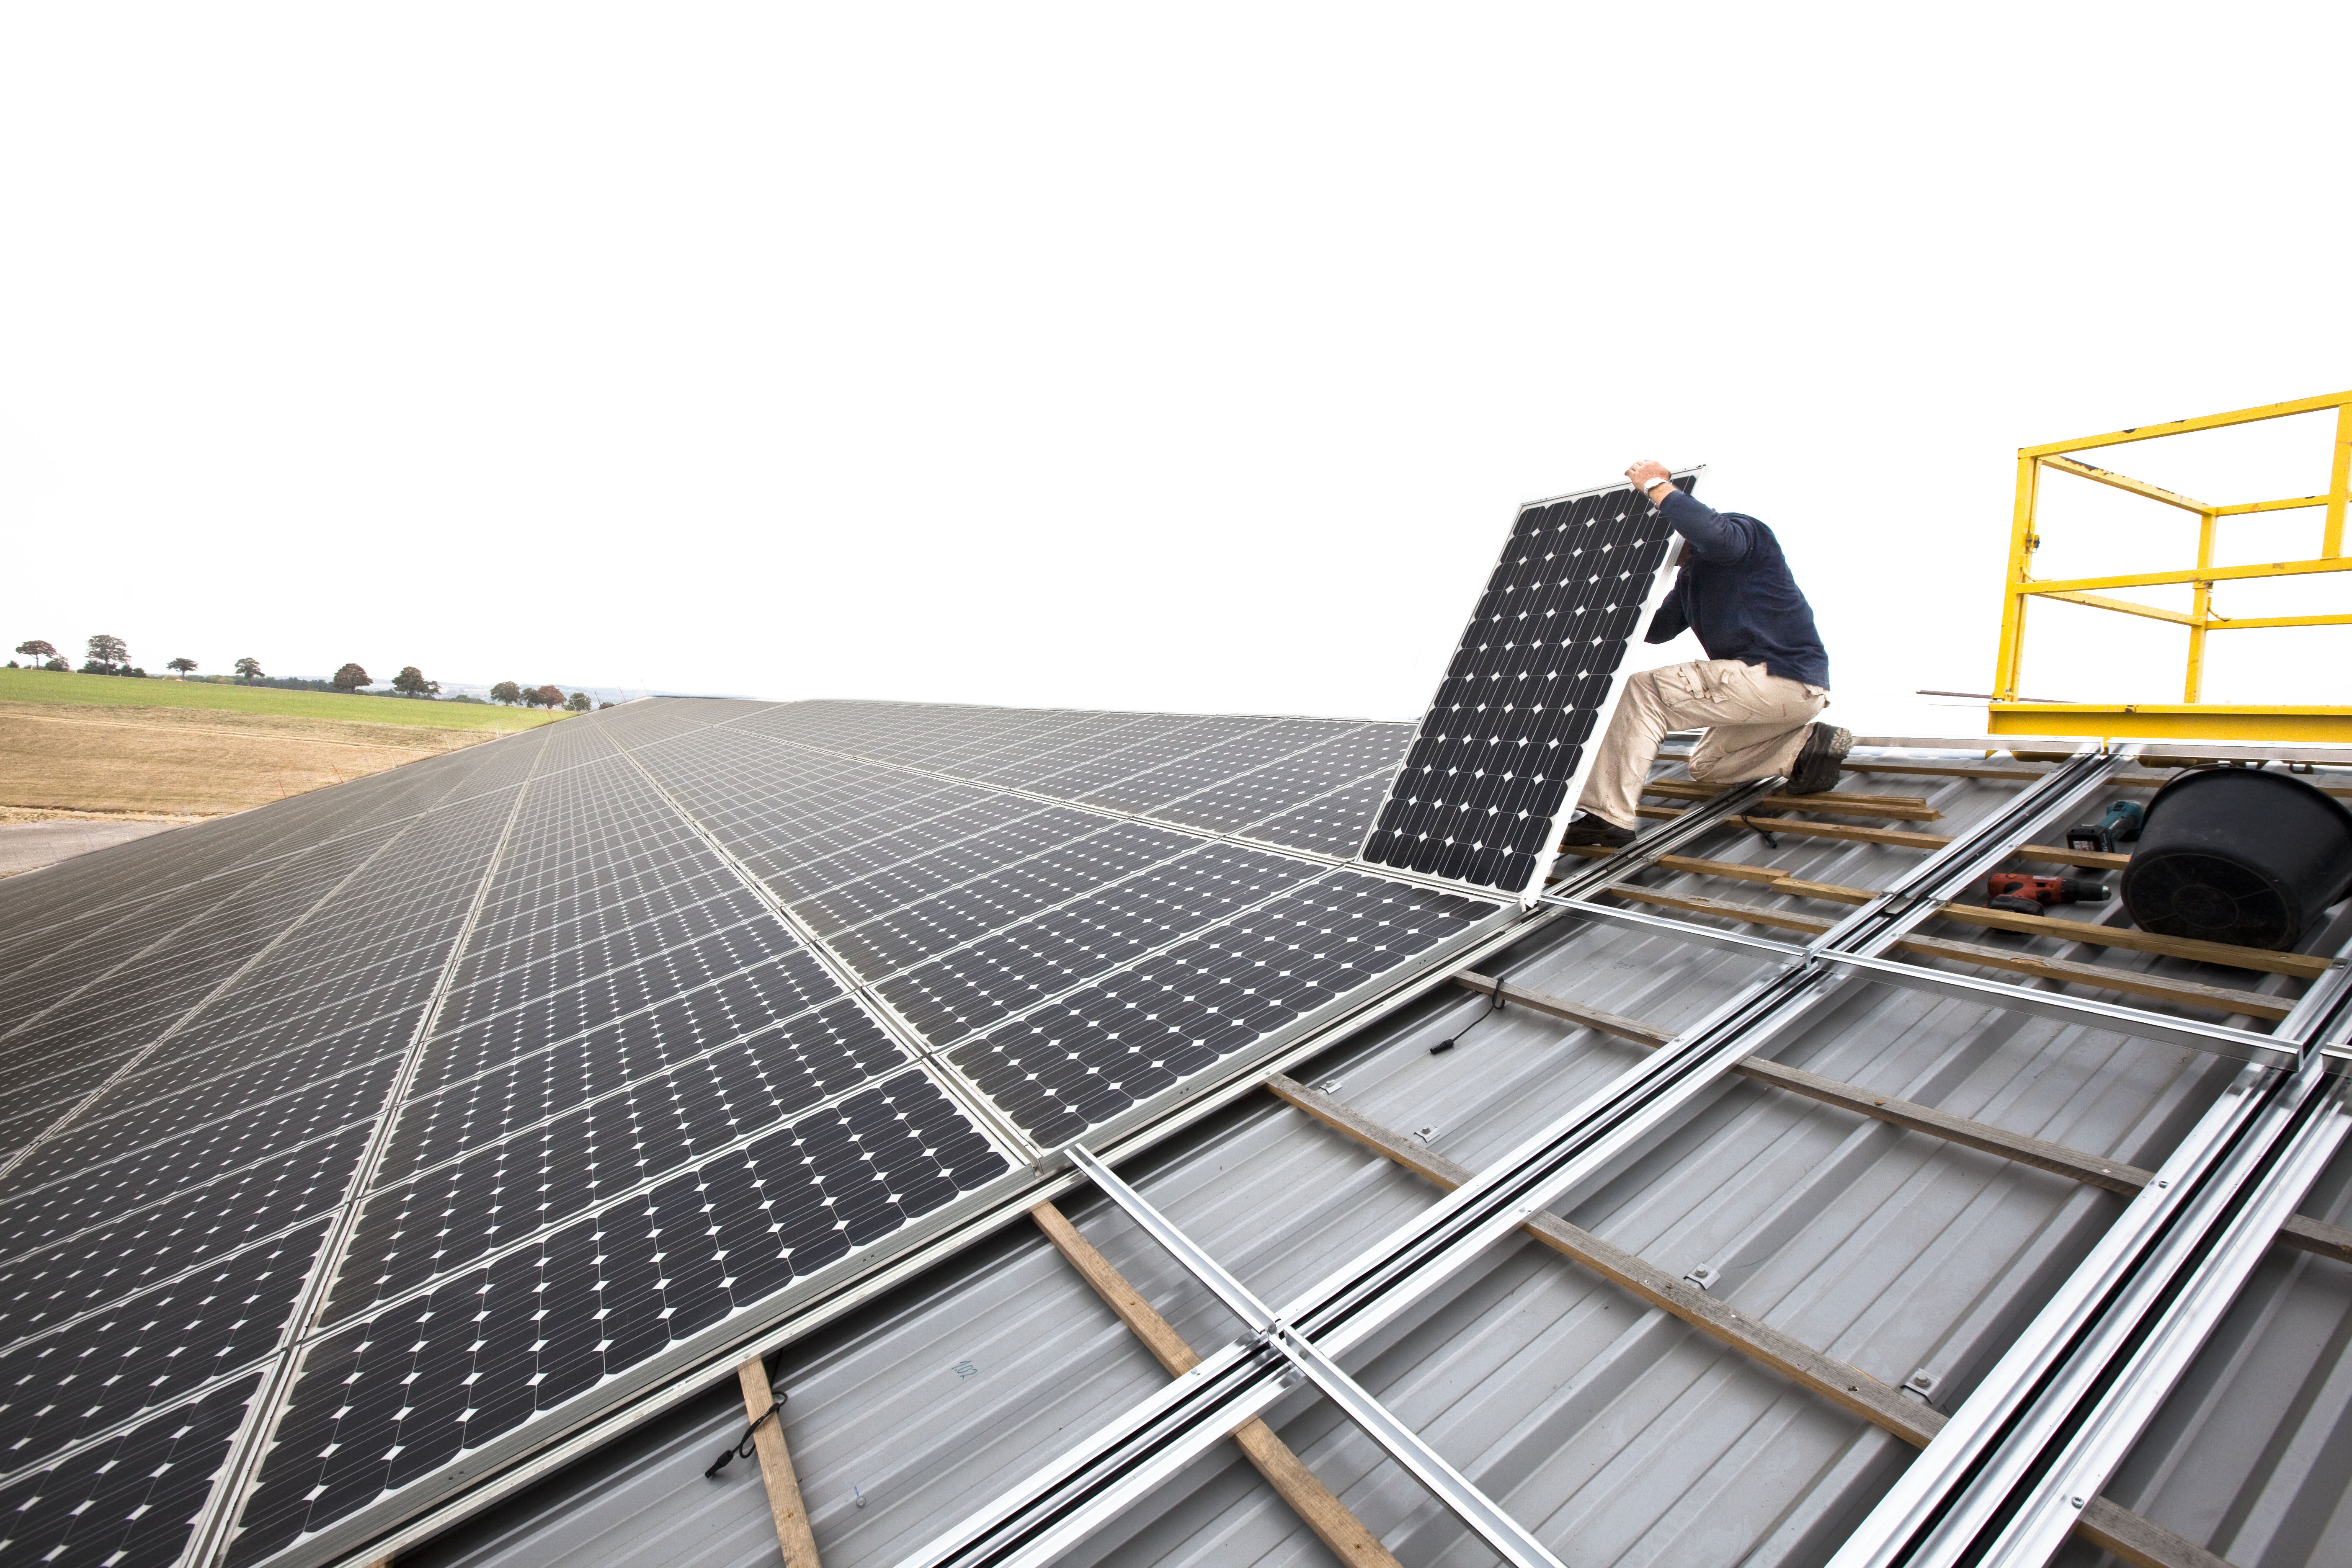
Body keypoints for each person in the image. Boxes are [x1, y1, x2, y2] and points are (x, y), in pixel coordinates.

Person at [1561, 459, 1847, 849]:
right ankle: (1804, 749)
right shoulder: (1692, 576)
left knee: (1644, 692)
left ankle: (1607, 817)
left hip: (1779, 676)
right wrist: (1599, 609)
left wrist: (1657, 486)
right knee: (1706, 767)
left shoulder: (1745, 534)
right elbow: (1659, 631)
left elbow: (1715, 536)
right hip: (1789, 701)